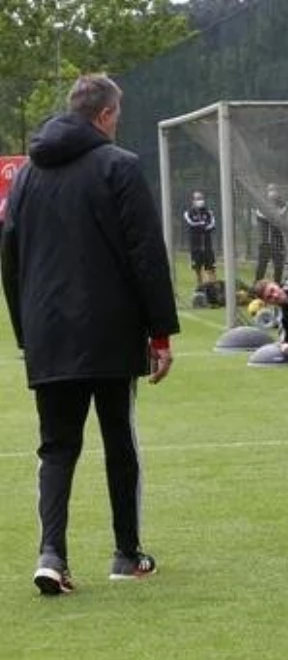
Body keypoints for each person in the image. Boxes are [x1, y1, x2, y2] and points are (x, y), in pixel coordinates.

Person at [0, 74, 179, 595]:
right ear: (104, 115)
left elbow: (10, 258)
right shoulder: (119, 166)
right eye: (116, 116)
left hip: (47, 330)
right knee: (118, 438)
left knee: (56, 447)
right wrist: (161, 334)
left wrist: (25, 331)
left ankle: (51, 554)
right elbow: (146, 253)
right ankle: (127, 554)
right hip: (110, 329)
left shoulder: (28, 176)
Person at [254, 183, 288, 283]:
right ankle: (257, 285)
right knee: (261, 265)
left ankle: (277, 284)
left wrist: (274, 214)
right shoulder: (261, 205)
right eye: (270, 190)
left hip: (278, 241)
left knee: (278, 265)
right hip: (264, 242)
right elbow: (262, 216)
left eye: (274, 190)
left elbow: (279, 217)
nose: (272, 193)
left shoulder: (283, 205)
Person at [183, 189, 216, 289]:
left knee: (211, 268)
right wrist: (202, 226)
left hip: (207, 246)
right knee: (197, 269)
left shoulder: (209, 212)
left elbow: (212, 225)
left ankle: (213, 289)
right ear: (193, 201)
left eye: (201, 198)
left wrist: (202, 227)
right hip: (195, 246)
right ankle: (200, 288)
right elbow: (191, 224)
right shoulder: (188, 213)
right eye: (197, 198)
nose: (200, 200)